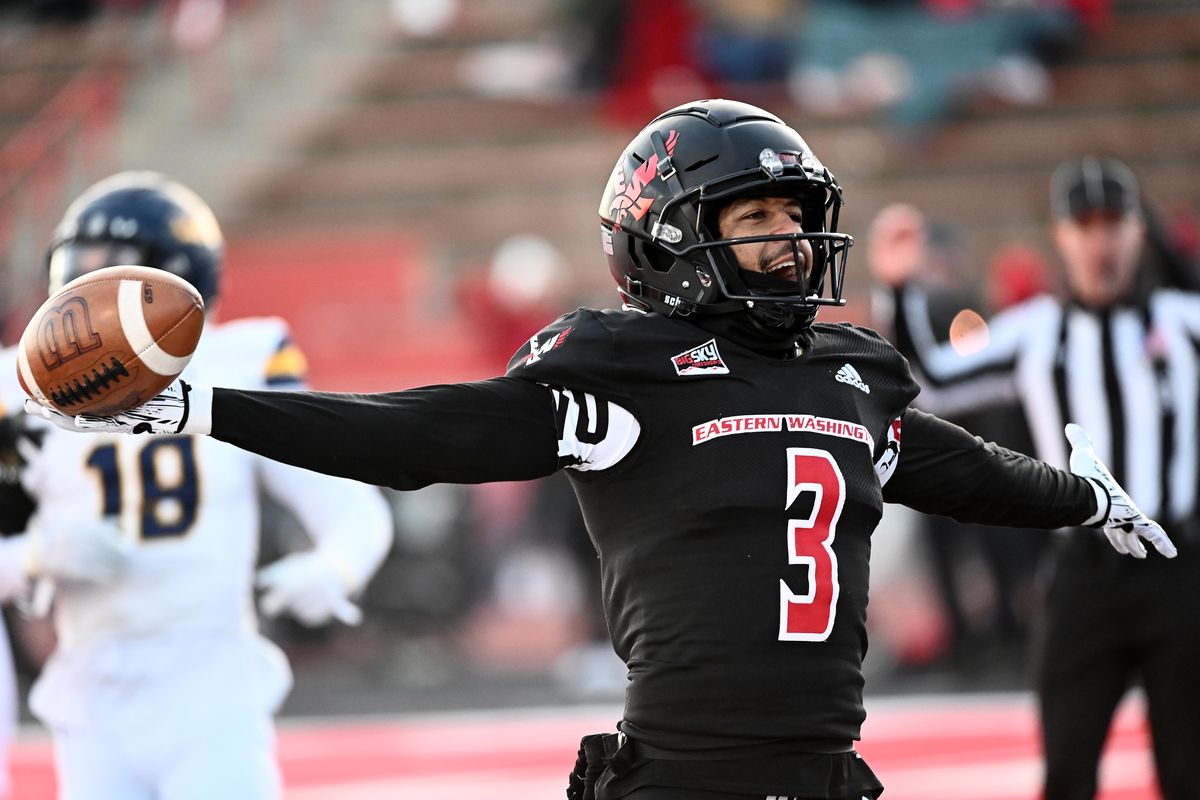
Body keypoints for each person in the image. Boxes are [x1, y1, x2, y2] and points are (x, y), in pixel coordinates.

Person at [27, 102, 1175, 800]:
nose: (794, 242)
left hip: (830, 772)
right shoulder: (621, 371)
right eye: (758, 221)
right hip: (679, 777)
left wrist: (1080, 494)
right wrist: (209, 410)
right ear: (674, 237)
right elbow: (423, 432)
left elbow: (962, 468)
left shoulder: (850, 375)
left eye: (795, 216)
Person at [0, 171, 394, 800]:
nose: (82, 291)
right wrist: (36, 556)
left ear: (175, 278)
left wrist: (336, 568)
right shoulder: (17, 388)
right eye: (78, 265)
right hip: (89, 687)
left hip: (210, 678)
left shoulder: (242, 359)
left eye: (110, 268)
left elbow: (348, 503)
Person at [868, 157, 1200, 800]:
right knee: (1067, 768)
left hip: (1179, 571)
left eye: (1113, 223)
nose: (1101, 240)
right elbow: (932, 377)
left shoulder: (1187, 322)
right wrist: (902, 290)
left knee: (1189, 768)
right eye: (1086, 225)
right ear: (1062, 235)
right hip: (1083, 573)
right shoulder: (1038, 331)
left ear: (1137, 231)